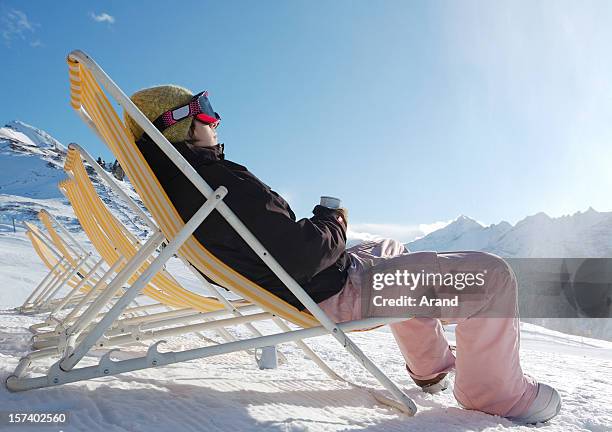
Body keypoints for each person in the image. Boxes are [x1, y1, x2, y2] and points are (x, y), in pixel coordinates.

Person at [123, 85, 561, 424]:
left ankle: (429, 367)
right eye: (203, 108)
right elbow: (300, 253)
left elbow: (278, 248)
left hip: (320, 280)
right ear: (176, 123)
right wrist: (333, 221)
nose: (215, 119)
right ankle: (495, 395)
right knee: (492, 276)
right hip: (333, 292)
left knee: (394, 249)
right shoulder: (213, 182)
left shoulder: (183, 185)